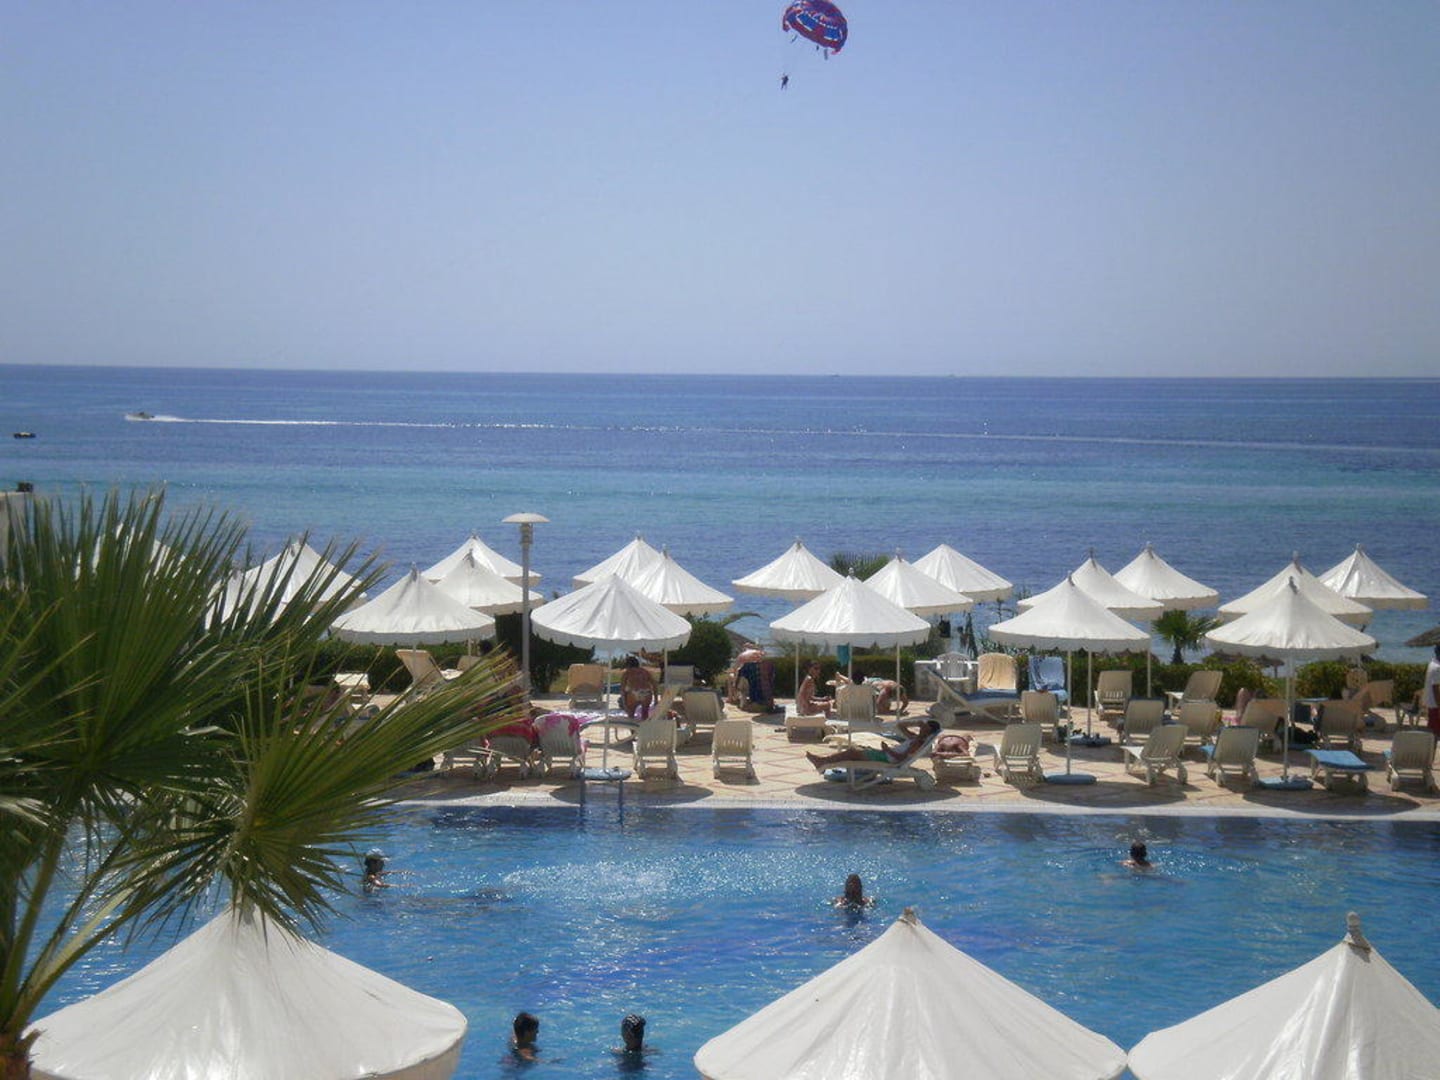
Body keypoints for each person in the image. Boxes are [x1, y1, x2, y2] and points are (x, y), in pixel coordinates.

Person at [805, 718, 940, 770]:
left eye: (925, 727)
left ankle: (822, 762)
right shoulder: (914, 738)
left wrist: (887, 750)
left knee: (852, 753)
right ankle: (823, 761)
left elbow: (901, 758)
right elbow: (900, 725)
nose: (922, 727)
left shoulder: (917, 743)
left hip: (887, 758)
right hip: (886, 755)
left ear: (929, 731)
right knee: (853, 752)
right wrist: (916, 723)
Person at [1426, 645, 1440, 737]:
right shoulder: (1437, 668)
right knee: (1436, 733)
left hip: (1432, 705)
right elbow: (1436, 689)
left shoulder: (1432, 663)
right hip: (1436, 706)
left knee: (1434, 733)